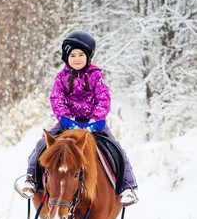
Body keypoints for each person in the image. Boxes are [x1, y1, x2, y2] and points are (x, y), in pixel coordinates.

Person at [17, 31, 138, 206]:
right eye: (72, 55)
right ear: (66, 58)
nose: (77, 58)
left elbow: (103, 99)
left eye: (81, 54)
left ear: (88, 56)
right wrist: (66, 119)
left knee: (117, 149)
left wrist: (96, 120)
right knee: (42, 144)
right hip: (68, 123)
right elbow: (56, 98)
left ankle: (127, 186)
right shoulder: (61, 78)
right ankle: (31, 179)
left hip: (93, 124)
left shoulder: (96, 76)